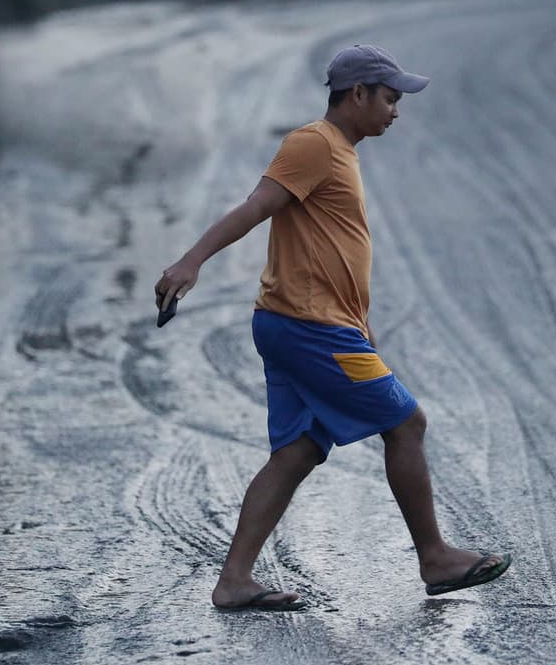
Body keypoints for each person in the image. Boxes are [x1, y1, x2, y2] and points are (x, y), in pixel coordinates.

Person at [154, 44, 511, 611]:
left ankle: (234, 581)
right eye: (390, 99)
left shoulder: (339, 151)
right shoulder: (313, 145)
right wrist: (192, 260)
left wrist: (361, 329)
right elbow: (255, 206)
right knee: (408, 423)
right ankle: (435, 558)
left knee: (296, 453)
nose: (396, 111)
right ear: (358, 94)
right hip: (309, 326)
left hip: (304, 324)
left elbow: (331, 250)